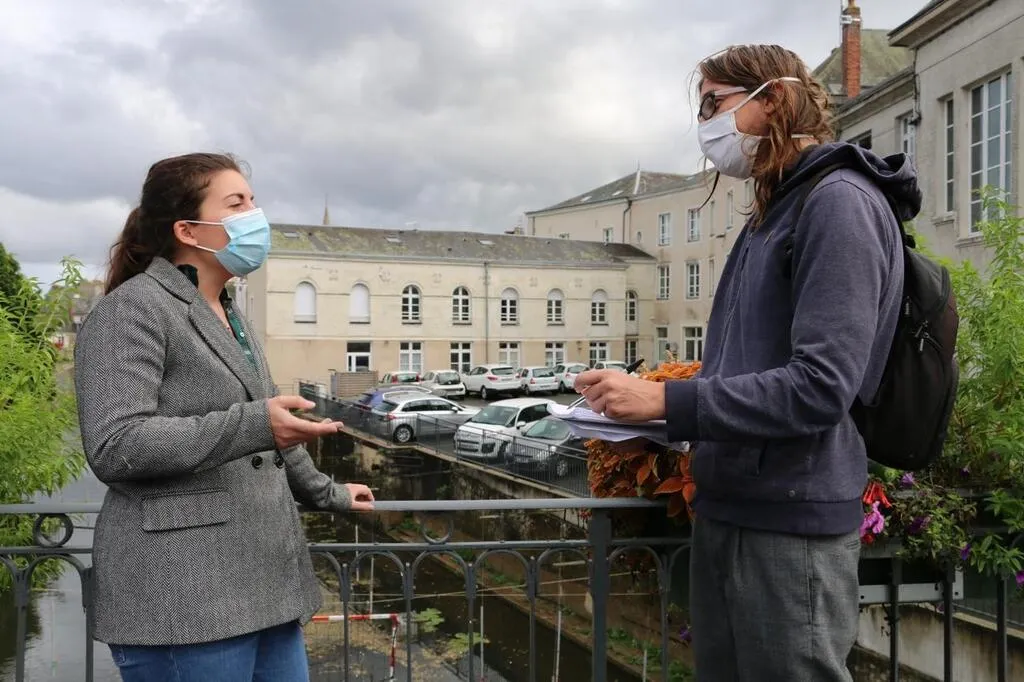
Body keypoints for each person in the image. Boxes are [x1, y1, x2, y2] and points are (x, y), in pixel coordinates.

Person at [575, 44, 918, 681]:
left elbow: (821, 388)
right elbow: (745, 367)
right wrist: (650, 409)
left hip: (791, 524)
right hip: (734, 508)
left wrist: (666, 401)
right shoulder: (774, 209)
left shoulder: (838, 202)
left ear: (775, 98)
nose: (706, 126)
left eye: (714, 104)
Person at [74, 153, 375, 682]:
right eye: (236, 204)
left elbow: (272, 430)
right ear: (188, 230)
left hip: (267, 588)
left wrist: (330, 494)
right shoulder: (131, 310)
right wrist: (255, 424)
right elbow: (115, 444)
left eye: (253, 201)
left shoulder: (232, 312)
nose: (255, 215)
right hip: (183, 598)